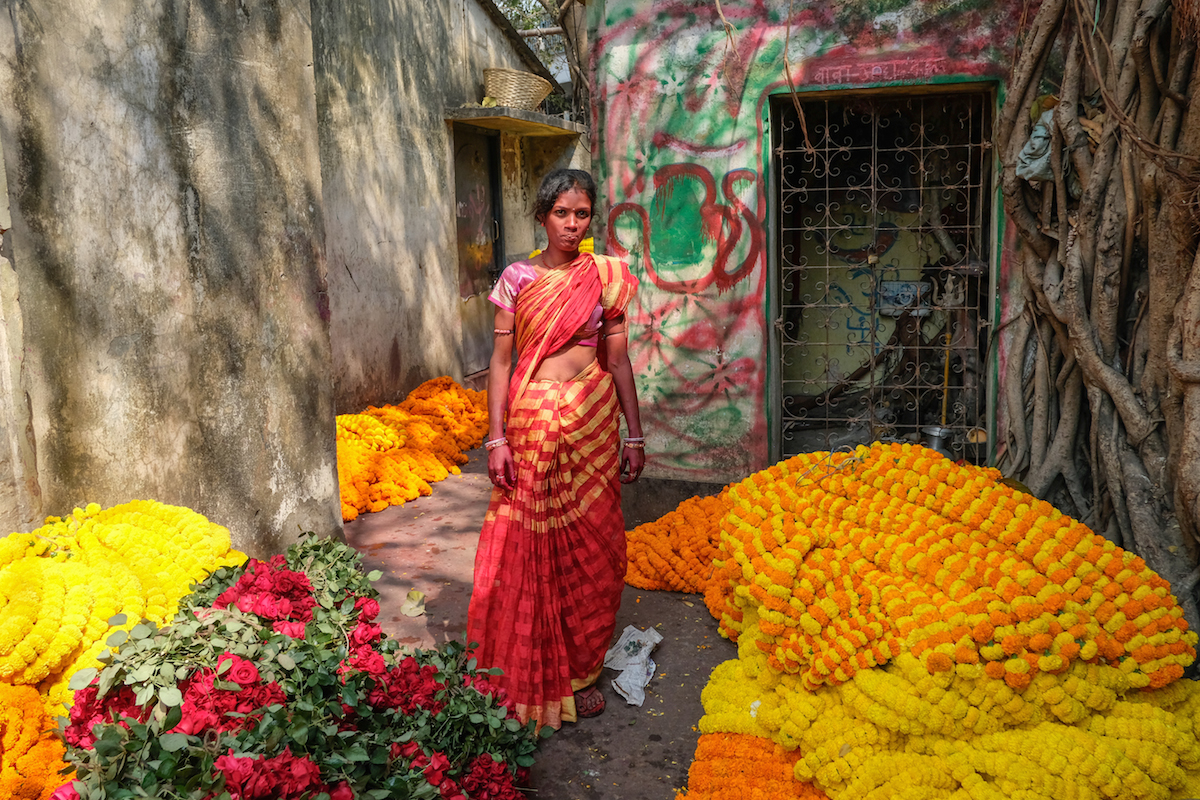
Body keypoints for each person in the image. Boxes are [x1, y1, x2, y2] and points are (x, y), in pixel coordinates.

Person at [466, 168, 643, 731]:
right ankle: (535, 666)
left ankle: (582, 669)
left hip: (593, 413)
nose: (572, 224)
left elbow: (617, 360)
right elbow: (500, 362)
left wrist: (633, 433)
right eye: (562, 213)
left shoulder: (606, 276)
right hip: (533, 414)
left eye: (582, 214)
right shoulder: (518, 278)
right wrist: (495, 437)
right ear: (542, 216)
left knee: (595, 542)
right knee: (530, 540)